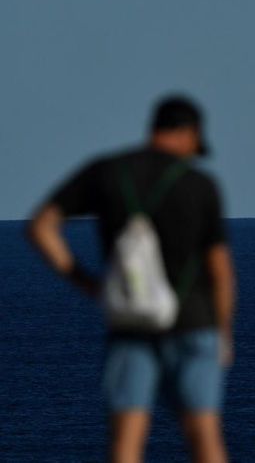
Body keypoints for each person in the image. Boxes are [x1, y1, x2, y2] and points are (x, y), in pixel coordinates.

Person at [27, 95, 236, 463]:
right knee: (204, 436)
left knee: (126, 440)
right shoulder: (200, 183)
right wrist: (224, 332)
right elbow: (220, 271)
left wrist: (88, 283)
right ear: (190, 134)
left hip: (130, 321)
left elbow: (41, 227)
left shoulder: (108, 172)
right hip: (194, 323)